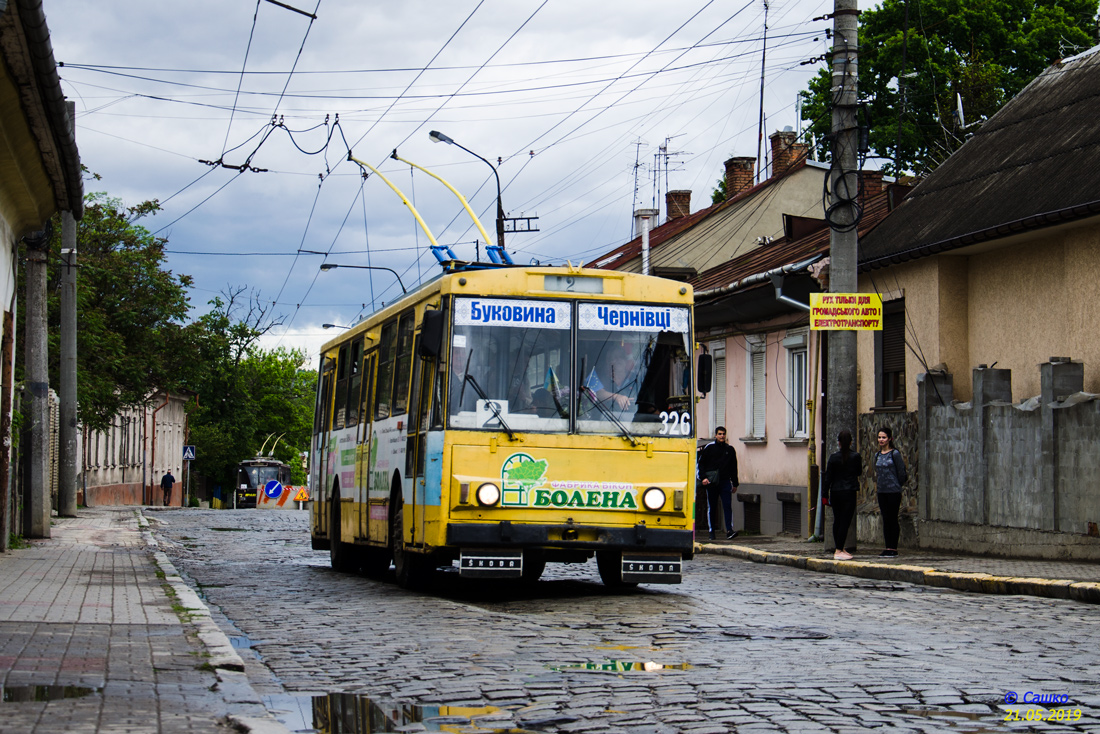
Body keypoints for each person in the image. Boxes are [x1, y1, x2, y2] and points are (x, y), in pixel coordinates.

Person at [822, 430, 862, 561]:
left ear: (838, 443)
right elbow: (859, 472)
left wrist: (824, 495)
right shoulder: (855, 457)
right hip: (849, 492)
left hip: (836, 492)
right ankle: (839, 549)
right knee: (845, 521)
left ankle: (839, 547)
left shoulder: (833, 458)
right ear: (851, 442)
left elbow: (828, 478)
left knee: (837, 520)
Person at [697, 426, 739, 540]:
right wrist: (703, 478)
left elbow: (733, 467)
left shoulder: (729, 449)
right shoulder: (709, 448)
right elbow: (701, 464)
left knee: (727, 506)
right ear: (715, 435)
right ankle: (712, 532)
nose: (722, 436)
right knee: (712, 506)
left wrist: (735, 483)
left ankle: (729, 530)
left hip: (725, 482)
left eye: (723, 434)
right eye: (720, 434)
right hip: (712, 482)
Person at [874, 426, 907, 558]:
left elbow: (901, 472)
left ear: (889, 439)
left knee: (893, 518)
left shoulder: (895, 454)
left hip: (893, 491)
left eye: (884, 437)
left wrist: (897, 484)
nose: (881, 440)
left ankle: (893, 547)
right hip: (882, 491)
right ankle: (887, 546)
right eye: (879, 437)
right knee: (886, 518)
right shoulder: (877, 455)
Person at [584, 346, 636, 411]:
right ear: (608, 361)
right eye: (615, 357)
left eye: (622, 357)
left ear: (625, 360)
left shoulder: (635, 378)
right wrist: (616, 397)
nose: (619, 359)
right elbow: (596, 393)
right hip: (601, 419)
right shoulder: (596, 375)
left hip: (633, 419)